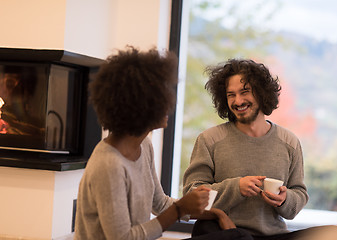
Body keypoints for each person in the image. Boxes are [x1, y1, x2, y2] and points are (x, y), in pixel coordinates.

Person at [74, 47, 249, 240]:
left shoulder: (144, 146)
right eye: (162, 95)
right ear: (139, 105)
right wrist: (180, 208)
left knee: (237, 236)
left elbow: (159, 203)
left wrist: (216, 213)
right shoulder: (109, 165)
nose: (169, 103)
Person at [182, 58, 320, 240]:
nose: (238, 101)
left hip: (272, 234)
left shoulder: (289, 142)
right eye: (231, 95)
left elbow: (299, 193)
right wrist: (235, 187)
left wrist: (285, 200)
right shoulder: (210, 140)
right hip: (225, 233)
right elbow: (192, 196)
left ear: (262, 93)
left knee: (333, 233)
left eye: (244, 92)